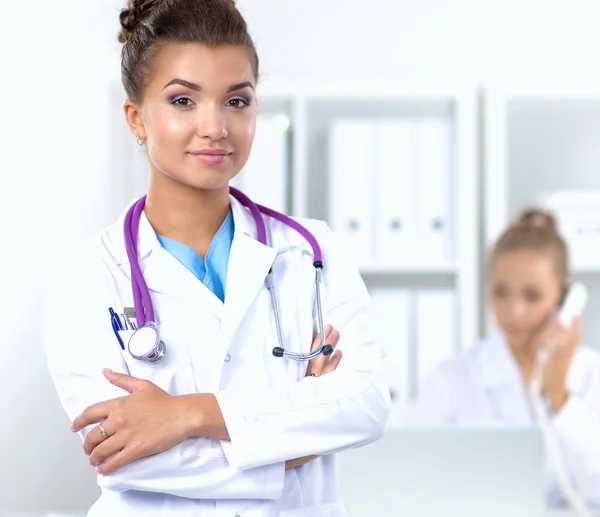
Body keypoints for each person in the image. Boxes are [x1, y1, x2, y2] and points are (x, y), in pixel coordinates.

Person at [43, 1, 390, 515]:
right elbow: (120, 455)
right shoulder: (90, 276)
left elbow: (365, 404)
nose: (215, 126)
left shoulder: (310, 251)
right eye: (183, 100)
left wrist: (185, 416)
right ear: (136, 118)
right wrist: (295, 440)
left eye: (236, 100)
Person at [400, 208, 600, 507]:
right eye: (501, 292)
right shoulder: (450, 379)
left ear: (564, 297)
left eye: (532, 296)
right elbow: (408, 480)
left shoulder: (590, 373)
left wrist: (559, 396)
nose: (514, 311)